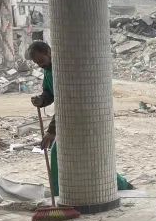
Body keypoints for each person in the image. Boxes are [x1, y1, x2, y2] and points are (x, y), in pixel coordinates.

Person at [26, 41, 131, 197]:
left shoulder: (63, 70)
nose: (40, 65)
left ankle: (120, 184)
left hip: (82, 117)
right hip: (68, 120)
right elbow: (49, 93)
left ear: (49, 51)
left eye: (41, 61)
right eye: (37, 63)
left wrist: (52, 131)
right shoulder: (49, 71)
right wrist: (41, 100)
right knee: (65, 153)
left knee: (91, 155)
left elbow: (65, 103)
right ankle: (59, 192)